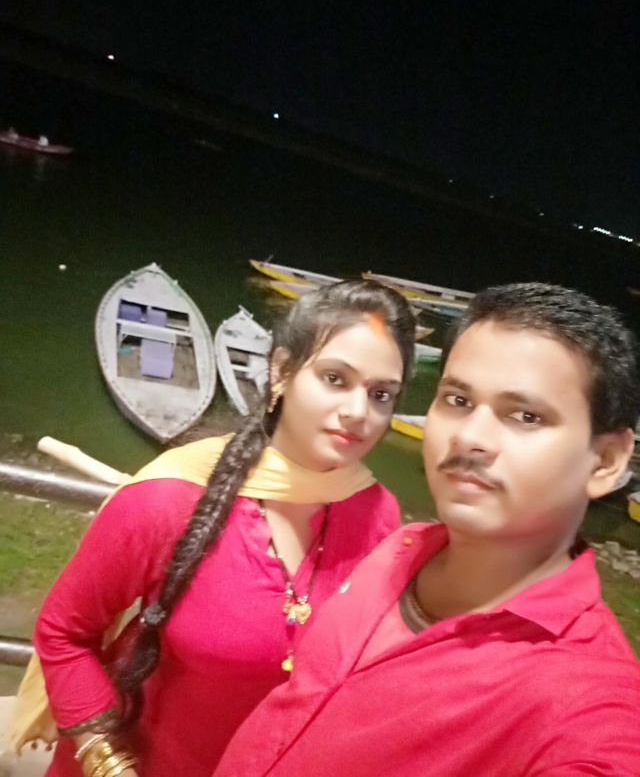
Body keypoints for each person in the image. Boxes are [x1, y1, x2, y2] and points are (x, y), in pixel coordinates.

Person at [213, 282, 640, 777]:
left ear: (606, 461)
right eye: (458, 400)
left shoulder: (584, 704)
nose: (471, 436)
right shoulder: (397, 549)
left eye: (526, 416)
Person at [31, 279, 416, 777]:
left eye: (381, 394)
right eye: (335, 379)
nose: (359, 412)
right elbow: (63, 634)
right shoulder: (169, 500)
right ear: (281, 371)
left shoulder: (376, 513)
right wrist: (106, 762)